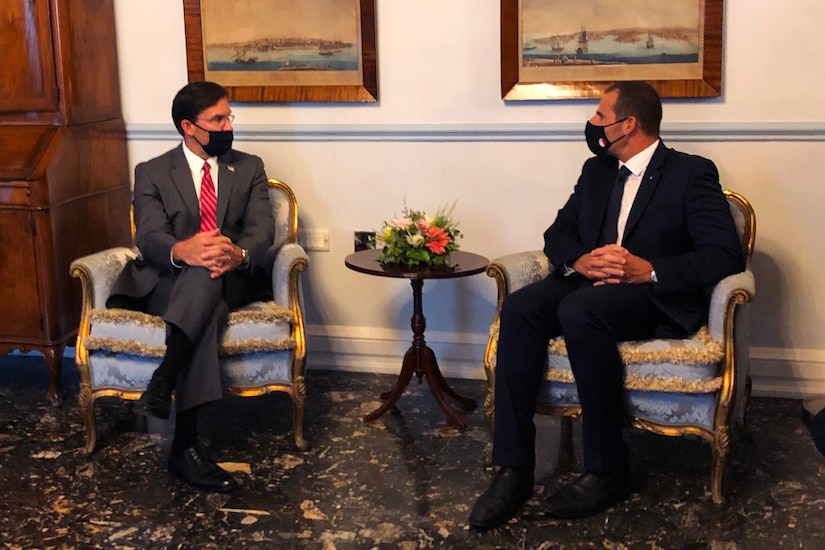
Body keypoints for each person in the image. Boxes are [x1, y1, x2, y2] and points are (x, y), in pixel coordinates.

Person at [469, 81, 746, 530]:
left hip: (652, 295)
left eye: (600, 115)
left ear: (628, 123)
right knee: (521, 308)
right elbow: (556, 235)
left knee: (581, 312)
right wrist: (581, 259)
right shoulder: (596, 171)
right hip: (591, 282)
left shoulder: (691, 173)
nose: (593, 124)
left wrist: (649, 269)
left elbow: (724, 254)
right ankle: (513, 469)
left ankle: (606, 469)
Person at [107, 81, 274, 493]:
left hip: (230, 276)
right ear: (188, 127)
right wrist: (185, 249)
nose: (227, 125)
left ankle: (163, 379)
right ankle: (183, 448)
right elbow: (149, 237)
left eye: (228, 116)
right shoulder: (152, 171)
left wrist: (237, 253)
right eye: (217, 119)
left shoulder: (249, 166)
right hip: (168, 281)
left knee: (208, 274)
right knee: (206, 299)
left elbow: (262, 229)